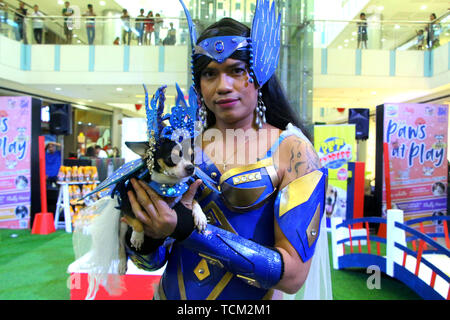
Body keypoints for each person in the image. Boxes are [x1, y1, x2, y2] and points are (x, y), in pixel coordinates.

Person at [122, 1, 331, 300]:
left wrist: (187, 229)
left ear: (259, 73)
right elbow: (149, 260)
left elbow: (293, 275)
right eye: (210, 74)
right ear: (199, 84)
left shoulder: (294, 152)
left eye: (236, 70)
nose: (223, 85)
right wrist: (147, 236)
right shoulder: (182, 149)